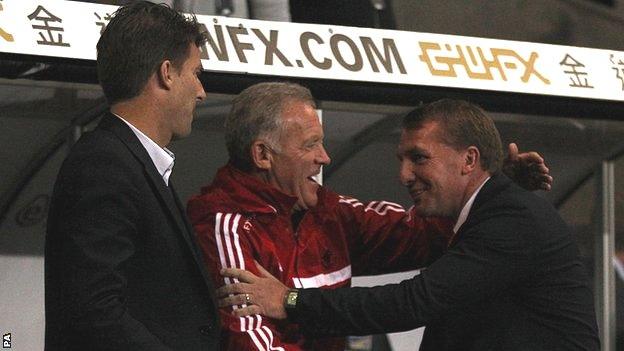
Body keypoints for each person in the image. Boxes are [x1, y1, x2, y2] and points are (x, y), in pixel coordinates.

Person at [187, 83, 553, 350]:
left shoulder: (333, 215)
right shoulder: (224, 226)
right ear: (263, 155)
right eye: (311, 144)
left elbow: (424, 236)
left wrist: (485, 187)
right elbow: (249, 342)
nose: (325, 157)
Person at [45, 2, 219, 350]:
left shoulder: (130, 161)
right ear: (166, 73)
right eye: (196, 73)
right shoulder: (104, 164)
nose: (202, 91)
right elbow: (94, 312)